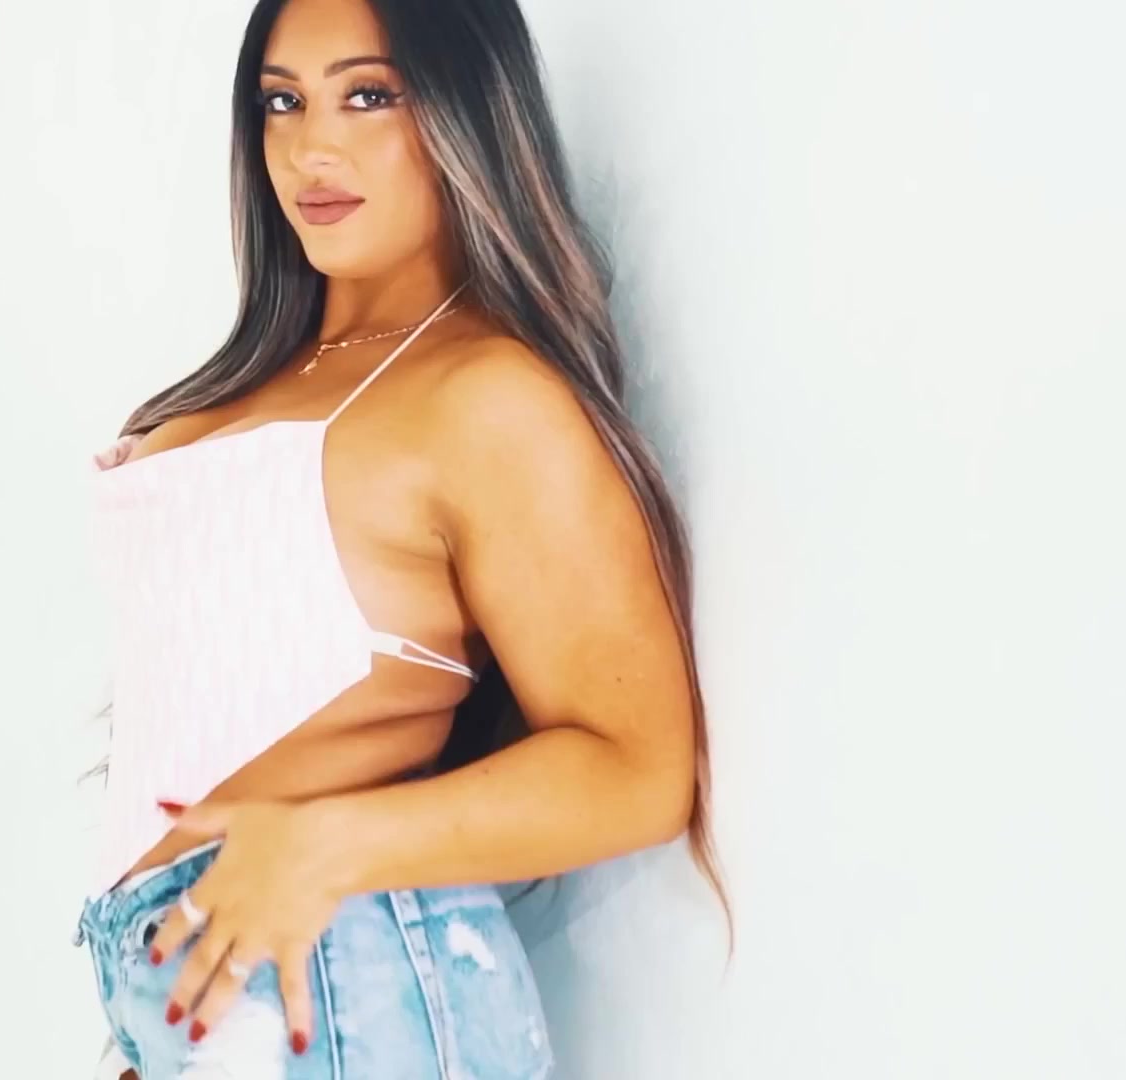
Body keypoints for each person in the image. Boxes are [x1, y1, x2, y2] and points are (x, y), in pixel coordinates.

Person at [74, 0, 727, 1076]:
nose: (311, 148)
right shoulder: (258, 379)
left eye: (368, 95)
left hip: (350, 987)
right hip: (213, 998)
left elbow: (639, 768)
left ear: (465, 112)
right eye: (282, 102)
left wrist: (324, 843)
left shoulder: (486, 396)